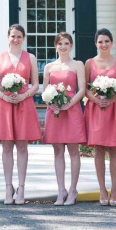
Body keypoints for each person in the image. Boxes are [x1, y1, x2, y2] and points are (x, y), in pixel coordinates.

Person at [0, 24, 41, 205]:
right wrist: (3, 96)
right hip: (4, 104)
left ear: (23, 38)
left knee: (23, 147)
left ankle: (22, 188)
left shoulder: (30, 58)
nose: (15, 39)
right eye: (13, 36)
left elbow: (35, 84)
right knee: (7, 147)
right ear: (7, 37)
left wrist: (24, 95)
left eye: (19, 36)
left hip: (24, 103)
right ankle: (8, 187)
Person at [84, 28, 116, 207]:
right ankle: (102, 189)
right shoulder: (89, 63)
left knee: (114, 149)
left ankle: (114, 189)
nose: (103, 44)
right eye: (100, 42)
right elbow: (85, 88)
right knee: (98, 149)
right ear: (96, 44)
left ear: (112, 43)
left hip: (114, 109)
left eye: (106, 41)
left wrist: (113, 98)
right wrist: (96, 100)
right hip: (96, 109)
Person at [42, 32, 87, 206]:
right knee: (58, 151)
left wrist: (69, 104)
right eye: (60, 44)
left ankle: (73, 189)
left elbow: (81, 89)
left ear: (71, 45)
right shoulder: (49, 67)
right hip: (54, 112)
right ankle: (61, 190)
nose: (63, 47)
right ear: (55, 46)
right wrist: (51, 104)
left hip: (72, 109)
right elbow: (45, 92)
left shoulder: (77, 65)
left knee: (73, 151)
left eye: (66, 43)